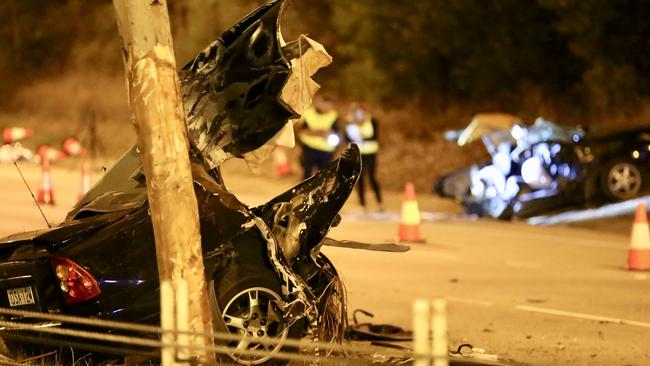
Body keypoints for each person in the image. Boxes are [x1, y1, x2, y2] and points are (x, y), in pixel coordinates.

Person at [344, 104, 383, 211]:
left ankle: (379, 202)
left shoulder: (372, 121)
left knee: (372, 177)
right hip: (358, 155)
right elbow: (347, 138)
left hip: (370, 154)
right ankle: (362, 204)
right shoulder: (350, 124)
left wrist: (362, 137)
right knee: (359, 179)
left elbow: (375, 137)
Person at [295, 96, 340, 180]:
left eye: (329, 105)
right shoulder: (308, 113)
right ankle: (305, 192)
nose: (326, 107)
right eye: (325, 105)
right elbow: (301, 131)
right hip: (309, 148)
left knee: (323, 176)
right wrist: (320, 133)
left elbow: (336, 133)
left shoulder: (334, 116)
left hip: (326, 151)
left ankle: (321, 193)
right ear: (319, 103)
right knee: (306, 175)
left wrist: (314, 132)